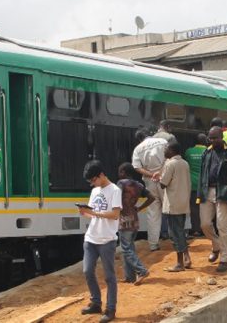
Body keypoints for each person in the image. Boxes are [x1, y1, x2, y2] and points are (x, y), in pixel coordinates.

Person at [79, 160, 122, 323]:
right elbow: (93, 213)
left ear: (101, 175)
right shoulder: (95, 191)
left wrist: (96, 214)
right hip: (91, 238)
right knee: (87, 271)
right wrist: (85, 212)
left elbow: (115, 215)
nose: (92, 183)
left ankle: (111, 309)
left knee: (109, 277)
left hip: (107, 240)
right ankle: (96, 302)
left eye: (93, 180)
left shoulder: (115, 190)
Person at [196, 127, 227, 272]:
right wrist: (199, 195)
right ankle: (216, 246)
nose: (212, 140)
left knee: (222, 226)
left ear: (222, 137)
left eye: (215, 138)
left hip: (224, 193)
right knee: (204, 224)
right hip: (207, 191)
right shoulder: (207, 153)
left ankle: (224, 259)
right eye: (210, 138)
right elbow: (202, 175)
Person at [116, 163, 153, 285]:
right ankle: (129, 276)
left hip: (124, 220)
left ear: (123, 172)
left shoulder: (121, 184)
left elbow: (116, 198)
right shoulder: (138, 185)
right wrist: (140, 207)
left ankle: (141, 271)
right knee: (129, 247)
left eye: (120, 172)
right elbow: (152, 197)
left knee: (126, 248)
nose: (119, 174)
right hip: (135, 219)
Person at [131, 128, 168, 251]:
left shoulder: (137, 149)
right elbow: (169, 158)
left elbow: (136, 167)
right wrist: (160, 172)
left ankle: (153, 244)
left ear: (139, 139)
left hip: (150, 182)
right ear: (149, 134)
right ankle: (176, 240)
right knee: (170, 209)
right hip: (164, 179)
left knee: (153, 213)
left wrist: (151, 174)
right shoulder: (162, 141)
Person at [160, 142, 192, 272]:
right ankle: (186, 257)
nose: (164, 151)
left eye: (166, 149)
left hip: (172, 204)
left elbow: (163, 184)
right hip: (183, 203)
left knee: (174, 234)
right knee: (180, 231)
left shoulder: (170, 164)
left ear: (172, 151)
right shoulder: (185, 163)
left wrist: (159, 177)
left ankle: (180, 264)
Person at [185, 134, 210, 237]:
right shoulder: (209, 151)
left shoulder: (188, 151)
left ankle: (196, 230)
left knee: (194, 208)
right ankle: (207, 230)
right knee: (206, 207)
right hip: (206, 183)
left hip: (192, 183)